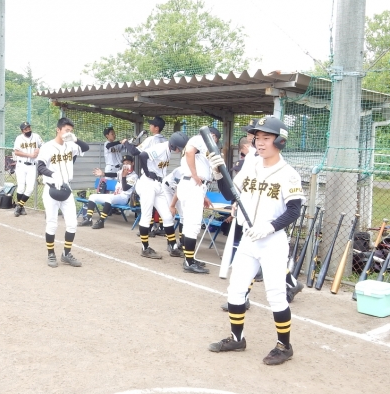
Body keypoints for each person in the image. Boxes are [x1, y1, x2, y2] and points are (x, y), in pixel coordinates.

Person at [208, 116, 305, 365]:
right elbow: (231, 194)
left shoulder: (288, 174)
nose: (260, 143)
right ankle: (237, 339)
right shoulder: (250, 167)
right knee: (236, 291)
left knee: (276, 296)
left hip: (272, 242)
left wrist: (270, 227)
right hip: (249, 241)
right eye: (257, 138)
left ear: (280, 141)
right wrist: (218, 174)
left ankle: (284, 347)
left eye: (266, 138)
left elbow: (294, 210)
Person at [36, 117, 90, 267]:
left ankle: (66, 254)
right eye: (66, 130)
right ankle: (51, 254)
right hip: (51, 188)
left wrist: (75, 139)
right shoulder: (47, 147)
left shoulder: (71, 145)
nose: (68, 133)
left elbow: (85, 148)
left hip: (66, 189)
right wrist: (52, 174)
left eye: (71, 131)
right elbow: (40, 166)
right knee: (52, 224)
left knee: (72, 224)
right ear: (58, 130)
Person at [130, 131, 187, 259]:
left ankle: (173, 247)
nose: (179, 150)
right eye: (179, 147)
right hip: (147, 183)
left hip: (158, 184)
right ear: (173, 145)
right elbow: (143, 155)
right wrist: (147, 172)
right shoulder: (161, 148)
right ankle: (145, 248)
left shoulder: (168, 150)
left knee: (167, 216)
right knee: (147, 216)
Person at [175, 126, 222, 274]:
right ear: (212, 135)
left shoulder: (200, 143)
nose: (215, 142)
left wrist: (203, 195)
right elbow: (190, 152)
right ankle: (189, 262)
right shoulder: (200, 139)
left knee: (189, 224)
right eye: (215, 139)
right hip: (192, 184)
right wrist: (195, 174)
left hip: (192, 186)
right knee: (193, 225)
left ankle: (189, 258)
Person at [80, 155, 138, 229]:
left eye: (128, 163)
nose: (126, 165)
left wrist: (124, 177)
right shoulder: (121, 172)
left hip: (124, 198)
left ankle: (101, 221)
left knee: (109, 199)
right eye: (124, 163)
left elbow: (125, 188)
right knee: (92, 197)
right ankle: (88, 220)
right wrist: (103, 173)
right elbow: (114, 174)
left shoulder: (134, 176)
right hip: (115, 195)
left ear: (132, 163)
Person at [12, 121, 43, 216]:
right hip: (21, 165)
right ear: (22, 131)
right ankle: (21, 208)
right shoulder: (19, 138)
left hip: (32, 166)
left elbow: (43, 146)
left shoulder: (36, 137)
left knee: (30, 188)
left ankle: (19, 206)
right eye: (26, 129)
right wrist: (29, 155)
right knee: (21, 187)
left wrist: (39, 149)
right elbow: (16, 152)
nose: (28, 130)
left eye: (29, 128)